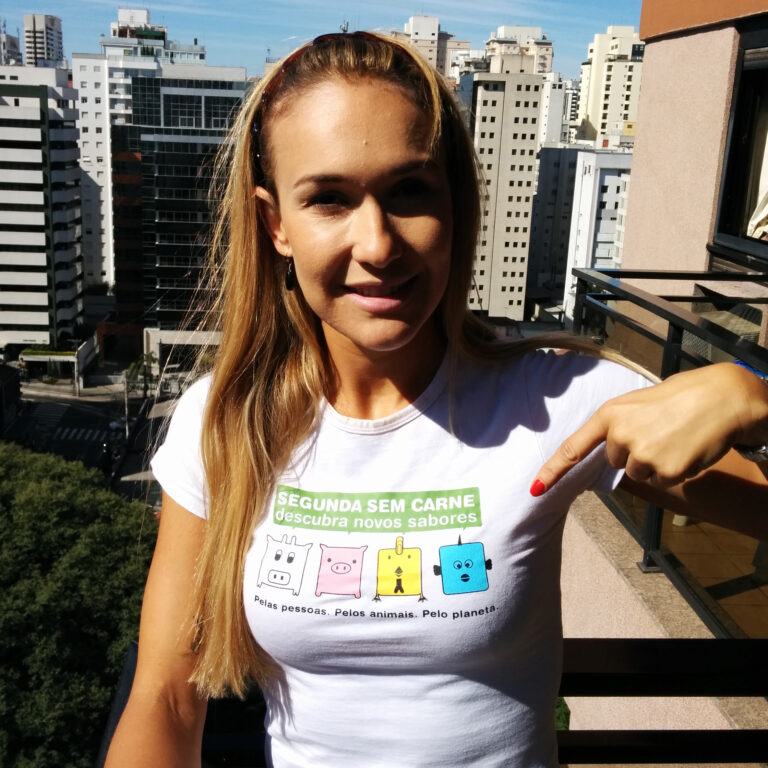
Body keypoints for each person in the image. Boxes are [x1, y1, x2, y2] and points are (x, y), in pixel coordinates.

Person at [105, 32, 768, 768]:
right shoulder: (224, 423)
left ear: (455, 204)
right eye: (329, 199)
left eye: (410, 191)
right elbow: (166, 697)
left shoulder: (558, 400)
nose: (378, 244)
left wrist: (757, 399)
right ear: (275, 225)